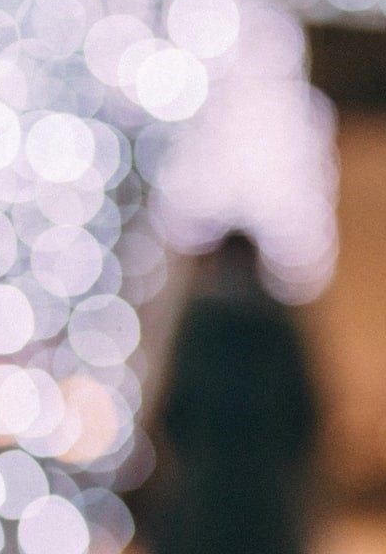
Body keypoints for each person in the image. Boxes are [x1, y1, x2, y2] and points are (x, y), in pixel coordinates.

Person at [143, 231, 320, 554]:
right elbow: (305, 412)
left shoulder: (201, 326)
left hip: (215, 490)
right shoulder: (272, 326)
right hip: (254, 492)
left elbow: (173, 409)